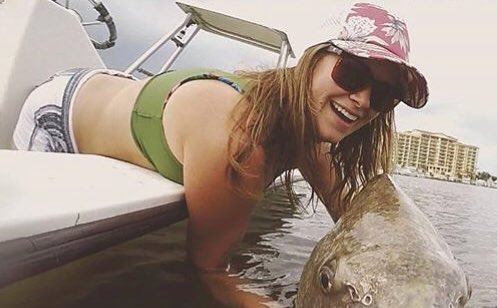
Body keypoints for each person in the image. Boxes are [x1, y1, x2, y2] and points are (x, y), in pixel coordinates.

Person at [12, 2, 428, 272]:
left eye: (385, 94)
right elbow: (207, 270)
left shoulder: (310, 138)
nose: (362, 99)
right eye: (351, 73)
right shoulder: (241, 140)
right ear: (312, 61)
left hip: (117, 90)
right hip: (59, 113)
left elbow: (355, 223)